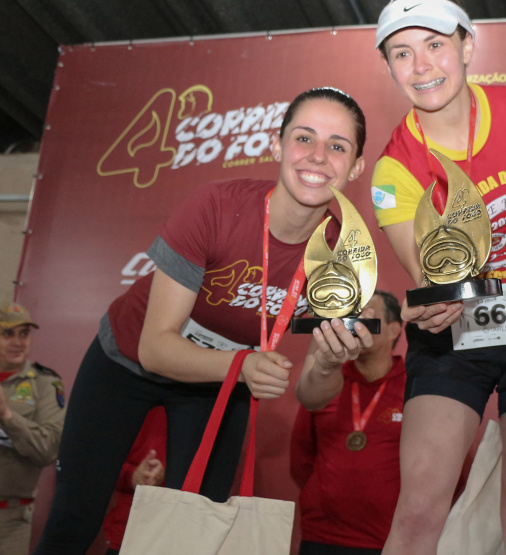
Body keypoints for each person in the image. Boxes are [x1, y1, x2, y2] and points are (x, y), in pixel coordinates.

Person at [35, 86, 376, 553]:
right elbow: (157, 347)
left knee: (194, 533)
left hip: (220, 386)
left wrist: (328, 364)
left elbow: (312, 396)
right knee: (77, 515)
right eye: (304, 138)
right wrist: (243, 366)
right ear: (277, 145)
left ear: (355, 166)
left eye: (338, 146)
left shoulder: (344, 254)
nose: (317, 157)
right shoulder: (215, 207)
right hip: (127, 361)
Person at [371, 1, 506, 552]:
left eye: (435, 45)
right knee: (419, 507)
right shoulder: (395, 169)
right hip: (457, 327)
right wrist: (429, 306)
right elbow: (430, 276)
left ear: (467, 47)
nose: (420, 66)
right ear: (389, 68)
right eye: (402, 53)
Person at [290, 290, 406, 555]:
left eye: (368, 318)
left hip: (389, 540)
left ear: (393, 330)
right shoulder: (324, 382)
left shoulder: (415, 388)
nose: (355, 326)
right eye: (353, 317)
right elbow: (301, 457)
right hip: (320, 535)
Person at [0, 302, 66, 555]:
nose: (18, 342)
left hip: (10, 521)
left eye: (24, 333)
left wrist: (7, 415)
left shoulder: (45, 384)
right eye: (8, 333)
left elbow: (49, 449)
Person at [102, 406, 167, 554]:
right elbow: (96, 465)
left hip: (180, 535)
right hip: (127, 533)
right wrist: (132, 476)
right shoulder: (130, 399)